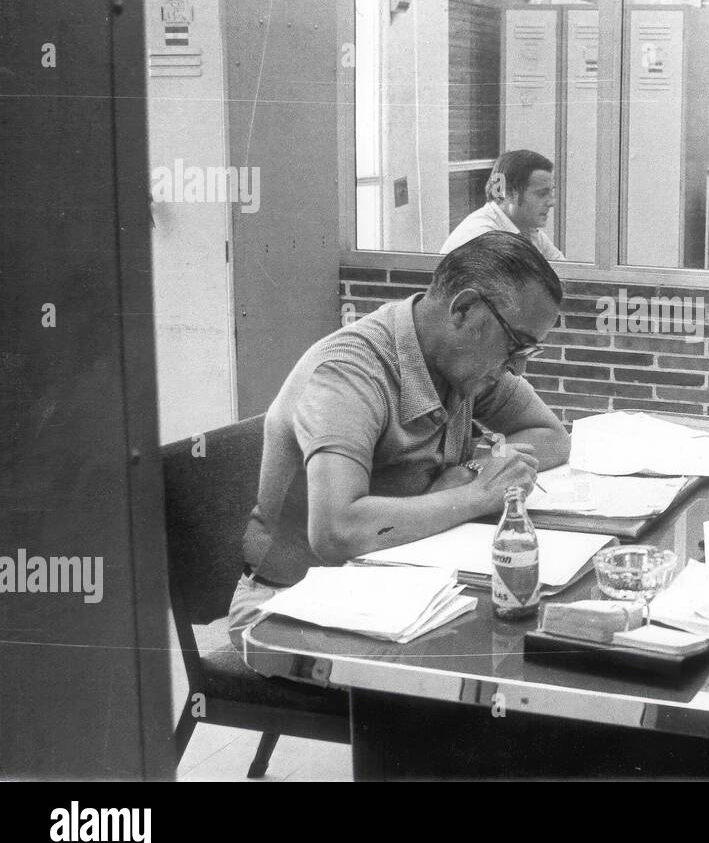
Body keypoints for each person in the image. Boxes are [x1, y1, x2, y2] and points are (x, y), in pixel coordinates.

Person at [227, 231, 570, 649]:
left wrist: (470, 471)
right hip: (292, 606)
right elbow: (336, 533)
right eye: (516, 344)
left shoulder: (463, 362)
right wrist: (477, 495)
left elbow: (552, 437)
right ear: (463, 309)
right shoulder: (348, 373)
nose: (517, 368)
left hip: (402, 588)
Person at [441, 149, 564, 261]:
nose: (552, 202)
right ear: (509, 193)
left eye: (551, 191)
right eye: (542, 194)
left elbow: (566, 273)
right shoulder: (482, 235)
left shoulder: (525, 228)